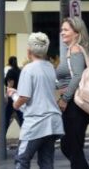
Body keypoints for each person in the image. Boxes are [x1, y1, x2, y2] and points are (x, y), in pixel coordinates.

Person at [8, 32, 64, 169]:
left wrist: (14, 99)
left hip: (35, 123)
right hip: (52, 123)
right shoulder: (50, 67)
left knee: (22, 159)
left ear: (29, 51)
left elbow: (25, 97)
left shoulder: (28, 69)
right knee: (46, 163)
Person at [56, 16, 89, 169]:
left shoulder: (76, 49)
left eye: (66, 30)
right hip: (74, 105)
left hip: (75, 106)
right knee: (71, 147)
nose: (61, 33)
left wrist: (65, 99)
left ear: (76, 33)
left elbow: (77, 76)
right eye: (61, 30)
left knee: (71, 147)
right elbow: (70, 77)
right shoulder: (70, 51)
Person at [5, 56, 24, 130]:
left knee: (6, 116)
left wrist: (7, 95)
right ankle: (25, 133)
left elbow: (11, 84)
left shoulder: (11, 72)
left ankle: (2, 134)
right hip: (20, 95)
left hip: (12, 96)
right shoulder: (20, 71)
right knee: (20, 116)